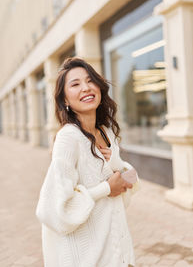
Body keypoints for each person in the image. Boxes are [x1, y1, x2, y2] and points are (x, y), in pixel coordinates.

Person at [36, 57, 138, 267]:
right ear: (65, 100)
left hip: (116, 250)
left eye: (90, 80)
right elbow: (54, 209)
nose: (86, 87)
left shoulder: (106, 132)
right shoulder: (68, 138)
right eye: (75, 84)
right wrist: (105, 189)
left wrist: (119, 166)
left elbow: (128, 183)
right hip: (87, 258)